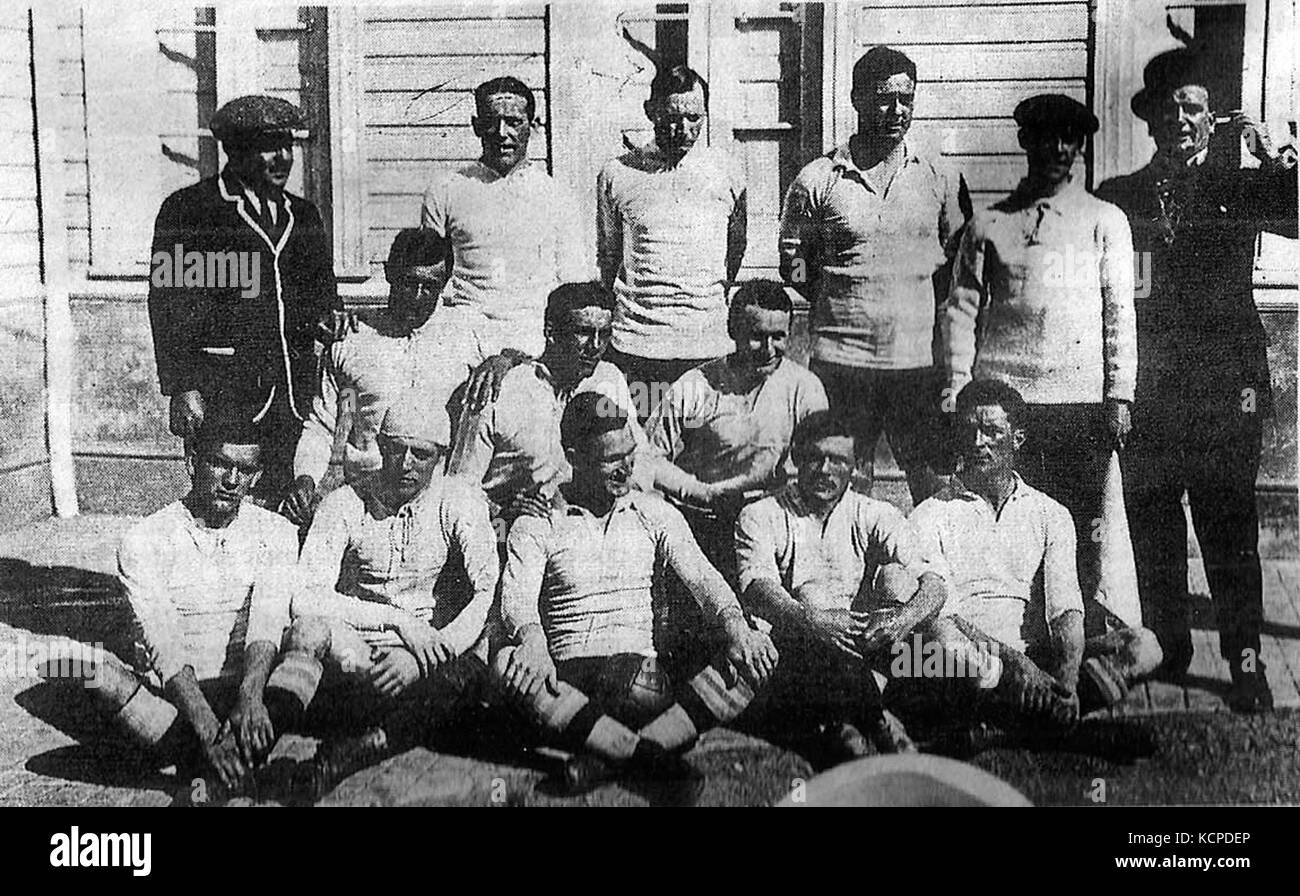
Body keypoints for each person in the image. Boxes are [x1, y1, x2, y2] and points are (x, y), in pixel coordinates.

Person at [1095, 48, 1298, 711]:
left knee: (1230, 531)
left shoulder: (1241, 188)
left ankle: (1245, 661)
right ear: (1151, 120)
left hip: (1225, 390)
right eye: (1170, 108)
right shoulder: (1119, 197)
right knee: (1154, 524)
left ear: (1215, 120)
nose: (1180, 118)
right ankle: (1171, 644)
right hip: (1149, 390)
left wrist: (1275, 157)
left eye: (1194, 107)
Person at [492, 393, 778, 798]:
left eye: (630, 454)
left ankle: (604, 755)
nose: (626, 468)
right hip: (573, 682)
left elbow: (704, 578)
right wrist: (533, 642)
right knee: (507, 663)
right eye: (612, 459)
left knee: (757, 653)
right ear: (574, 456)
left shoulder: (652, 512)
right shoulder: (539, 520)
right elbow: (517, 599)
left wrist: (735, 625)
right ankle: (652, 755)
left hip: (642, 679)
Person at [942, 93, 1136, 616]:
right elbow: (960, 312)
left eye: (1068, 138)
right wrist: (959, 389)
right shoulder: (989, 225)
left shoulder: (1106, 221)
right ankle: (1014, 628)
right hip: (1004, 403)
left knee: (1080, 523)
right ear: (1026, 141)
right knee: (1008, 518)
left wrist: (1118, 393)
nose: (1057, 148)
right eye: (1045, 136)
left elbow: (1120, 311)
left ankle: (1082, 632)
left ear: (1080, 145)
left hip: (1079, 402)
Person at [53, 410, 303, 801]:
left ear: (256, 475)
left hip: (249, 689)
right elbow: (165, 645)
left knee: (313, 636)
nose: (232, 481)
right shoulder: (145, 538)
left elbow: (268, 622)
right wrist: (207, 730)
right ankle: (224, 756)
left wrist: (251, 696)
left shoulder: (278, 532)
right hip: (180, 695)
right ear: (192, 462)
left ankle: (207, 766)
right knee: (90, 670)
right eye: (220, 464)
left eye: (245, 470)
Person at [908, 380, 1162, 742]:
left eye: (992, 431)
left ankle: (1008, 728)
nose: (979, 443)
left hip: (1035, 658)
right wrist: (1016, 666)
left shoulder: (1050, 513)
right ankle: (1061, 732)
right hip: (971, 661)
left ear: (1018, 439)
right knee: (943, 650)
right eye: (970, 432)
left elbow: (1066, 611)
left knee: (1144, 645)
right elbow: (944, 618)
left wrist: (1067, 683)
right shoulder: (929, 514)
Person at [274, 398, 500, 802]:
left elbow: (487, 591)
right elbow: (306, 596)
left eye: (422, 454)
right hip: (358, 646)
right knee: (313, 641)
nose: (407, 463)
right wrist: (397, 622)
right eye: (397, 449)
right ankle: (265, 744)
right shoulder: (345, 501)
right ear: (380, 445)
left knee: (471, 670)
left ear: (443, 457)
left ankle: (353, 752)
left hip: (423, 654)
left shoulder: (458, 501)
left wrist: (425, 655)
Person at [779, 46, 968, 502]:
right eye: (884, 98)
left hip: (915, 363)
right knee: (841, 482)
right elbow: (794, 260)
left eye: (906, 98)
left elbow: (956, 259)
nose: (897, 110)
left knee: (934, 483)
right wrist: (839, 296)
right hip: (841, 363)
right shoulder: (818, 178)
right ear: (857, 99)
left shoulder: (938, 175)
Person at [148, 95, 342, 502]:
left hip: (294, 395)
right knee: (222, 502)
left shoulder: (303, 216)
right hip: (224, 392)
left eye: (288, 145)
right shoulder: (190, 211)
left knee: (290, 504)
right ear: (235, 151)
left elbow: (323, 297)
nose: (284, 158)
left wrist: (329, 318)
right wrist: (182, 386)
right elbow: (168, 306)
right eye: (269, 146)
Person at [734, 410, 946, 763]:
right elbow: (756, 586)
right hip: (793, 644)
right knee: (810, 600)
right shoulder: (762, 513)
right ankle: (876, 720)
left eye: (838, 461)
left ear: (856, 465)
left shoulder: (875, 513)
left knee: (900, 585)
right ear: (796, 458)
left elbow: (934, 583)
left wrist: (901, 620)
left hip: (860, 641)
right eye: (815, 458)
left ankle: (846, 725)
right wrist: (808, 620)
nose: (825, 470)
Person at [282, 229, 519, 528]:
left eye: (429, 287)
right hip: (367, 500)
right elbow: (322, 426)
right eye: (409, 283)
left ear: (444, 285)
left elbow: (531, 354)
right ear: (390, 274)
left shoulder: (469, 331)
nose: (418, 297)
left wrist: (504, 360)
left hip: (442, 499)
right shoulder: (352, 337)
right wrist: (305, 479)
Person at [597, 64, 747, 416]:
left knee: (699, 449)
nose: (682, 130)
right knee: (645, 447)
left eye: (694, 118)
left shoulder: (727, 172)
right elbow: (609, 255)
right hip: (638, 346)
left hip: (706, 343)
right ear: (651, 112)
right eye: (670, 118)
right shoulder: (618, 173)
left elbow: (735, 248)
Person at [419, 76, 588, 363]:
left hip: (532, 340)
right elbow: (427, 276)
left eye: (514, 122)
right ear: (476, 126)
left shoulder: (557, 195)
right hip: (462, 338)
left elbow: (573, 285)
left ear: (532, 127)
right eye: (490, 121)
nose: (501, 133)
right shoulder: (446, 188)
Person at [448, 281, 649, 522]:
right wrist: (500, 512)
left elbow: (642, 461)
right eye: (583, 332)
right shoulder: (499, 390)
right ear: (551, 332)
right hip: (514, 532)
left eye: (604, 334)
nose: (595, 346)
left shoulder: (609, 379)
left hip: (592, 531)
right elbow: (458, 490)